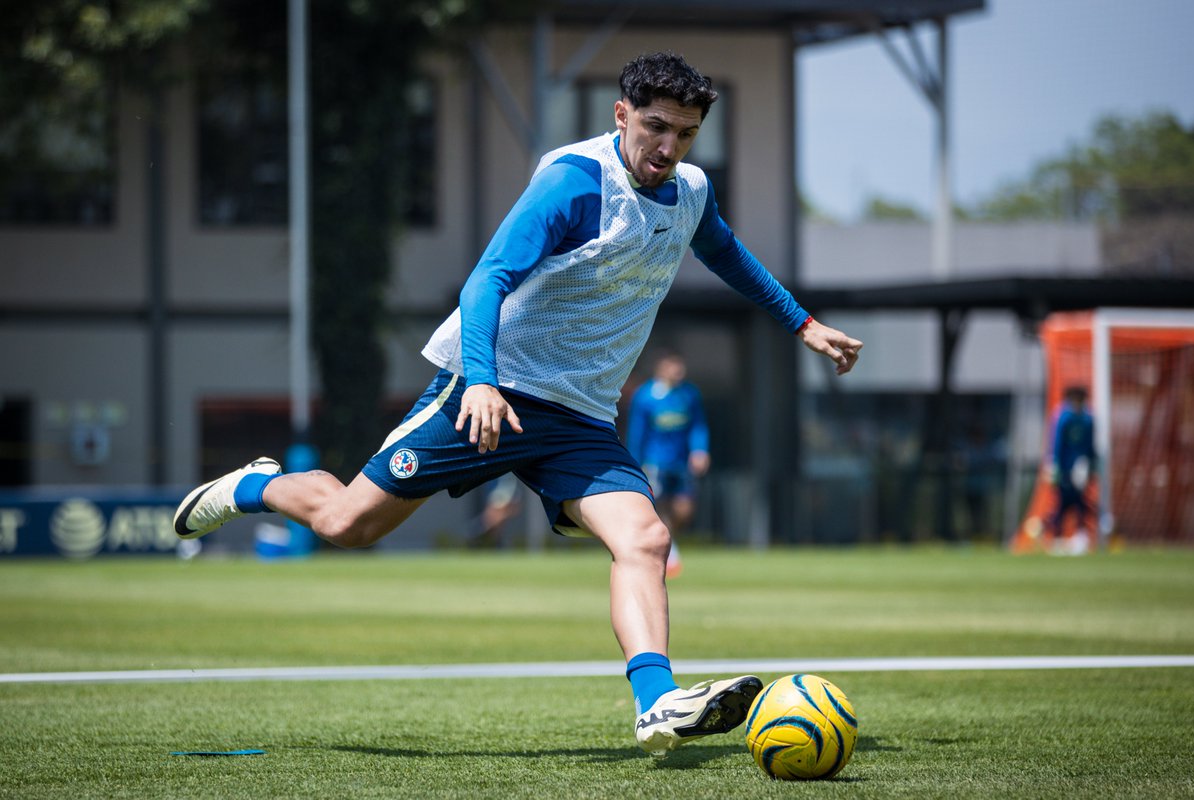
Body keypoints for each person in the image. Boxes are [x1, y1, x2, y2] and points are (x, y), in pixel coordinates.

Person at [174, 51, 863, 756]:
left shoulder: (688, 190)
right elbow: (486, 280)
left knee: (647, 539)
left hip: (580, 418)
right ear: (620, 114)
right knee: (348, 524)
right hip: (490, 391)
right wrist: (479, 379)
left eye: (684, 134)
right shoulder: (573, 182)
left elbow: (726, 253)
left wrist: (804, 325)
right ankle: (252, 485)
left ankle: (657, 703)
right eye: (655, 127)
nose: (668, 147)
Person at [626, 351, 710, 578]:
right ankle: (670, 553)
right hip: (655, 463)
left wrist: (700, 450)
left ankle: (670, 543)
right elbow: (637, 431)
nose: (678, 372)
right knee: (659, 506)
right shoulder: (645, 396)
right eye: (673, 367)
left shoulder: (688, 394)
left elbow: (698, 425)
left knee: (684, 509)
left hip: (681, 462)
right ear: (661, 368)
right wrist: (635, 463)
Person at [1045, 385, 1097, 552]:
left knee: (1081, 503)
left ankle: (1080, 537)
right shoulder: (1063, 418)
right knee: (1062, 503)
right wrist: (1054, 465)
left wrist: (1092, 465)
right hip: (1064, 469)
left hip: (1080, 468)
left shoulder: (1088, 419)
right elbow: (1057, 443)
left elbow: (1090, 445)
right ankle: (1057, 538)